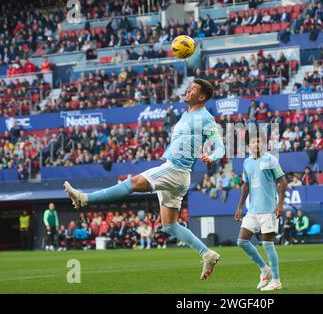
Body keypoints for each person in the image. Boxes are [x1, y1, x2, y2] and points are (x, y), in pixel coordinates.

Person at [64, 79, 224, 280]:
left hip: (174, 169)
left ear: (201, 97)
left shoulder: (205, 118)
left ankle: (84, 198)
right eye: (189, 86)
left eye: (193, 89)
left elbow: (220, 146)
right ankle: (206, 253)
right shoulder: (186, 115)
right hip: (178, 173)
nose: (188, 90)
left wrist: (211, 157)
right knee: (169, 225)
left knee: (132, 183)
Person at [234, 133, 287, 291]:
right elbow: (246, 185)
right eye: (253, 142)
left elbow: (283, 181)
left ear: (263, 144)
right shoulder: (247, 162)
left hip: (268, 209)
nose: (256, 144)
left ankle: (276, 281)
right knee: (242, 241)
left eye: (259, 141)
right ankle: (264, 269)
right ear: (249, 145)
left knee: (267, 244)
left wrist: (280, 205)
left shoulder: (270, 159)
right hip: (253, 210)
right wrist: (239, 206)